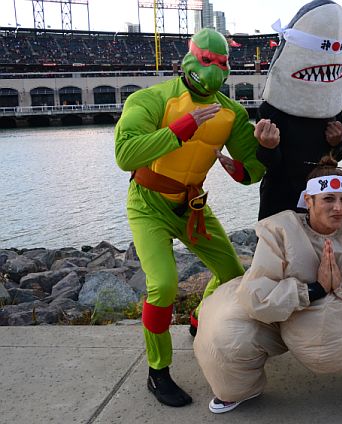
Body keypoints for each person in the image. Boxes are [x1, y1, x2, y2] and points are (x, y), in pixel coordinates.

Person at [114, 28, 276, 407]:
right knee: (163, 286)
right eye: (209, 61)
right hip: (148, 203)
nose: (217, 69)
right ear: (190, 58)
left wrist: (258, 156)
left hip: (192, 206)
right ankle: (158, 373)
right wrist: (183, 128)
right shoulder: (151, 99)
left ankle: (200, 319)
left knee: (233, 275)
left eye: (223, 64)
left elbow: (254, 168)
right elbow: (126, 155)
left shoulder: (231, 113)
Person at [194, 156, 342, 414]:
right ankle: (237, 389)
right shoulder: (280, 230)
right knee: (226, 327)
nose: (338, 208)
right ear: (309, 201)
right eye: (328, 199)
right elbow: (256, 293)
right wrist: (313, 290)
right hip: (287, 325)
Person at [255, 0, 342, 219]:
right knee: (276, 249)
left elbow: (337, 157)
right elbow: (268, 164)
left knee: (319, 250)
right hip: (280, 196)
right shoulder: (272, 107)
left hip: (319, 196)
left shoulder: (330, 107)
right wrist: (268, 147)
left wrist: (337, 143)